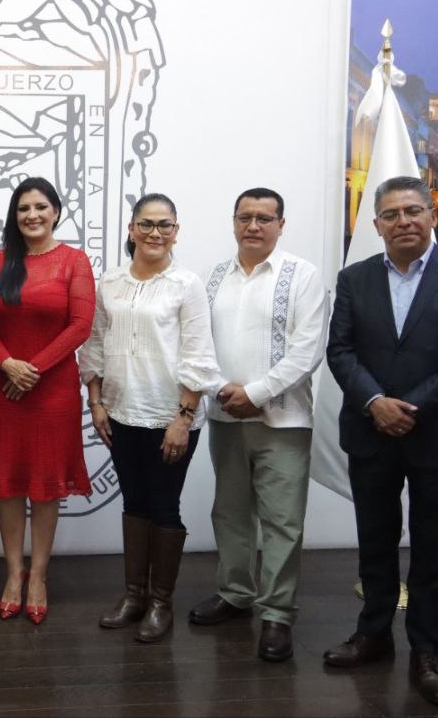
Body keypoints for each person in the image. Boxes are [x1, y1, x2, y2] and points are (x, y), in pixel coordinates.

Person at [325, 176, 438, 709]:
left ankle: (426, 651)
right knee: (375, 540)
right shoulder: (354, 279)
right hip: (370, 431)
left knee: (433, 548)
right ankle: (373, 634)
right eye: (391, 213)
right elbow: (341, 352)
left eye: (413, 211)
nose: (403, 221)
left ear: (432, 216)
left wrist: (411, 407)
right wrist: (376, 402)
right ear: (376, 224)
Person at [186, 188, 328, 662]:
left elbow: (308, 349)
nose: (253, 226)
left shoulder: (302, 276)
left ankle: (277, 614)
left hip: (283, 421)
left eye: (264, 218)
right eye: (245, 217)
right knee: (229, 512)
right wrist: (224, 389)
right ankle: (235, 594)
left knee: (282, 520)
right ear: (233, 222)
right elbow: (199, 343)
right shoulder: (213, 278)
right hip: (225, 414)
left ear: (281, 225)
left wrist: (258, 392)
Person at [80, 193, 220, 642]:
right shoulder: (111, 283)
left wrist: (183, 416)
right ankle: (133, 595)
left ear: (176, 231)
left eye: (165, 225)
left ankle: (161, 603)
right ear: (131, 229)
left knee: (164, 505)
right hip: (120, 412)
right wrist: (96, 401)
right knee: (133, 503)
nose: (155, 233)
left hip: (169, 417)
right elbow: (95, 345)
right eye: (146, 224)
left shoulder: (186, 284)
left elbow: (199, 354)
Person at [0, 176, 94, 626]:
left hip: (52, 391)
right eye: (23, 208)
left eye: (41, 207)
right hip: (4, 389)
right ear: (14, 215)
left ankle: (39, 576)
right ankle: (11, 574)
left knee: (44, 486)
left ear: (56, 212)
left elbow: (80, 326)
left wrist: (33, 369)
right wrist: (8, 365)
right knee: (8, 484)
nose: (32, 215)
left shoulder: (73, 262)